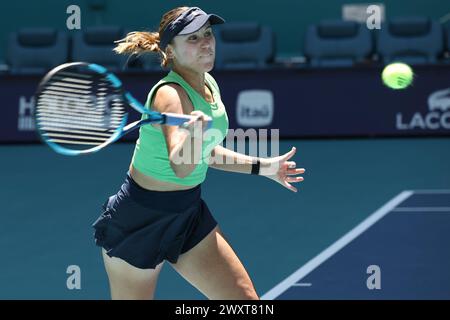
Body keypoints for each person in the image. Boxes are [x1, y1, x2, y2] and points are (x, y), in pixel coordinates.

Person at [92, 6, 305, 300]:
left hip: (187, 212)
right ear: (171, 51)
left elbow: (206, 154)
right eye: (192, 39)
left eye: (207, 34)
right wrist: (193, 136)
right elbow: (181, 166)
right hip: (138, 220)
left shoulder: (207, 83)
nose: (206, 42)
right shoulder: (169, 95)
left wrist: (263, 167)